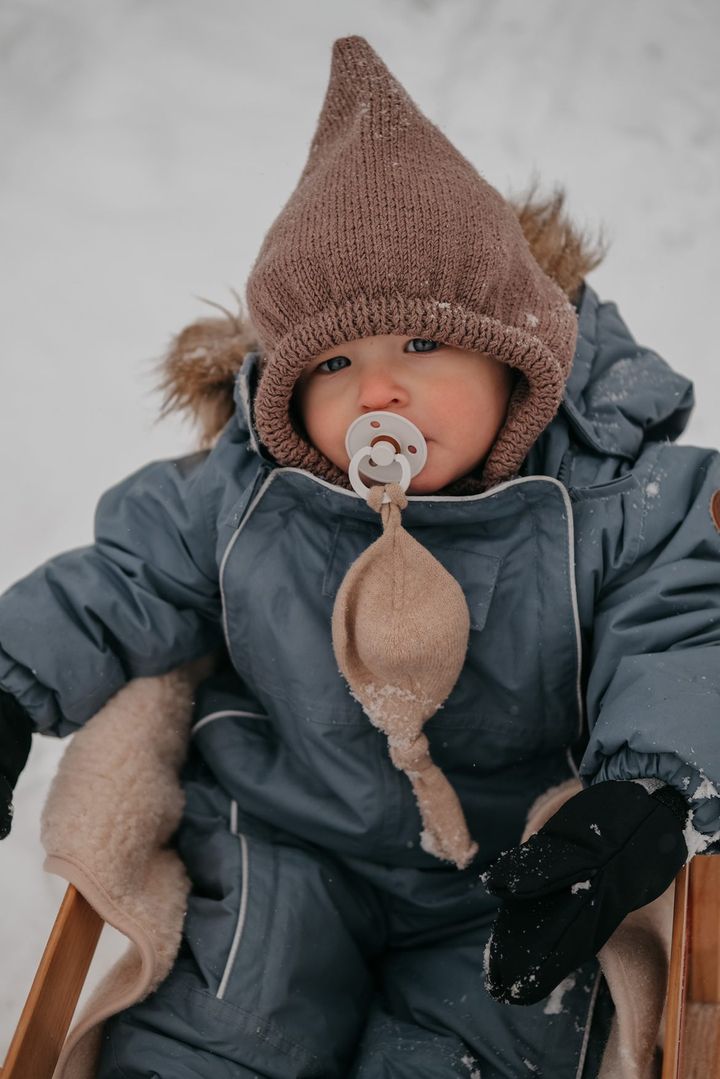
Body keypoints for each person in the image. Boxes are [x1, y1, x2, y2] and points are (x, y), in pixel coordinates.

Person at [1, 33, 719, 1079]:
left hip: (512, 865)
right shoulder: (250, 494)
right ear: (289, 391)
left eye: (420, 346)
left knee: (486, 1042)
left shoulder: (613, 496)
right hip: (288, 839)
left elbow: (685, 623)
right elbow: (124, 577)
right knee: (229, 1020)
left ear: (515, 353)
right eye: (334, 362)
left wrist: (641, 793)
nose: (377, 392)